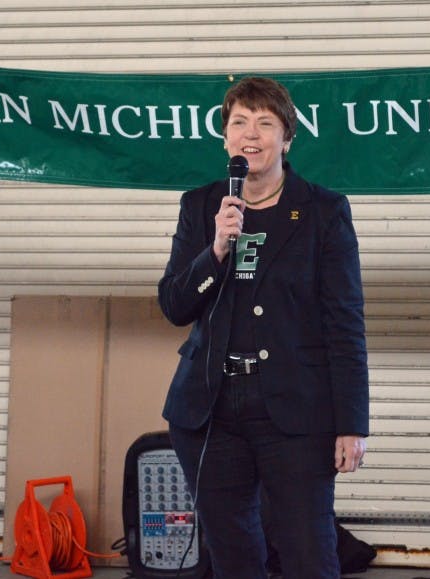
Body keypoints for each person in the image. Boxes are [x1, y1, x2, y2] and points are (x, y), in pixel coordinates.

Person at [157, 76, 369, 579]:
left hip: (296, 411)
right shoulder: (201, 206)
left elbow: (344, 322)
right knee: (233, 555)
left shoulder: (323, 212)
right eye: (239, 122)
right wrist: (215, 250)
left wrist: (352, 423)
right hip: (211, 410)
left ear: (286, 137)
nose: (250, 134)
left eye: (265, 123)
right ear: (225, 138)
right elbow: (174, 306)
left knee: (308, 552)